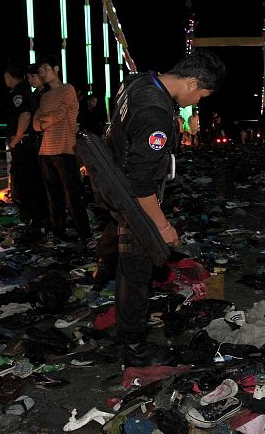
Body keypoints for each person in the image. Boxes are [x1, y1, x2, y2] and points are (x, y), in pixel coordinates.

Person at [100, 49, 225, 367]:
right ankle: (134, 348)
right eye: (200, 96)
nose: (196, 103)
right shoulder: (155, 111)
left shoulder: (138, 81)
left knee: (128, 269)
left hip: (115, 185)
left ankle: (129, 338)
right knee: (137, 272)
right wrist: (162, 225)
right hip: (133, 199)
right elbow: (141, 181)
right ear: (192, 82)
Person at [32, 54, 92, 241]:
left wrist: (44, 121)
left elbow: (59, 114)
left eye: (46, 69)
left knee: (72, 195)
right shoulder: (45, 96)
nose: (42, 73)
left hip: (65, 148)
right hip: (46, 151)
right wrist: (44, 122)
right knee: (53, 195)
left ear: (56, 69)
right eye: (40, 70)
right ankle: (58, 232)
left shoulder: (67, 89)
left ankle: (85, 234)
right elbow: (35, 123)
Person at [3, 61, 48, 232]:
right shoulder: (28, 92)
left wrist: (15, 139)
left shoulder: (19, 93)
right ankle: (37, 218)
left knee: (23, 183)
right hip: (29, 144)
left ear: (8, 76)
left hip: (23, 145)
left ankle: (32, 219)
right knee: (31, 181)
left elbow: (25, 115)